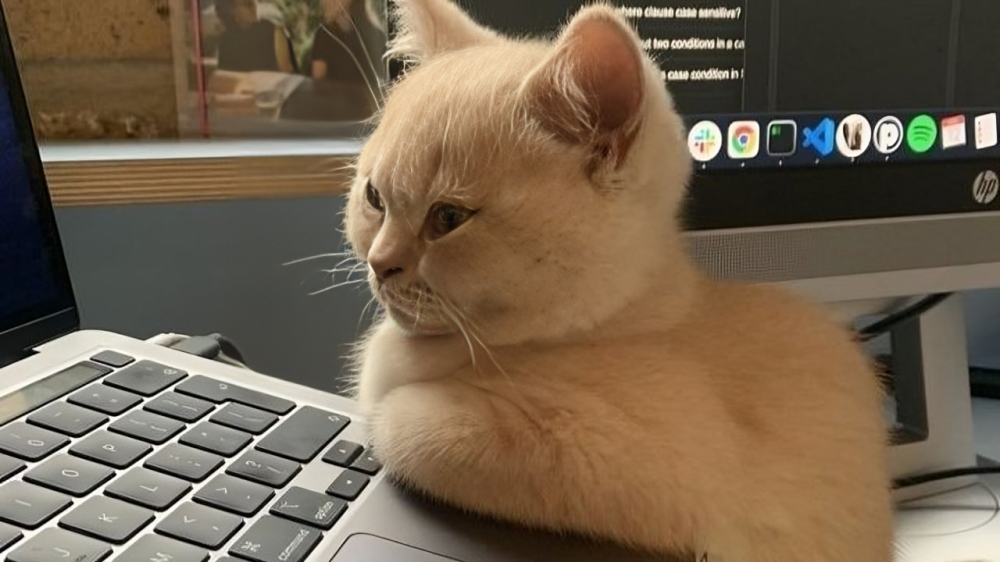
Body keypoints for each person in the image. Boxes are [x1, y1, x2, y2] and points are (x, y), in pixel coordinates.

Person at [307, 0, 383, 117]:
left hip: (337, 120)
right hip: (369, 117)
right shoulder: (376, 34)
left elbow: (318, 79)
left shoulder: (325, 35)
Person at [214, 0, 297, 74]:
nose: (254, 6)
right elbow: (286, 70)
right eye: (248, 3)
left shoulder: (224, 42)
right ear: (232, 11)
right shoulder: (273, 30)